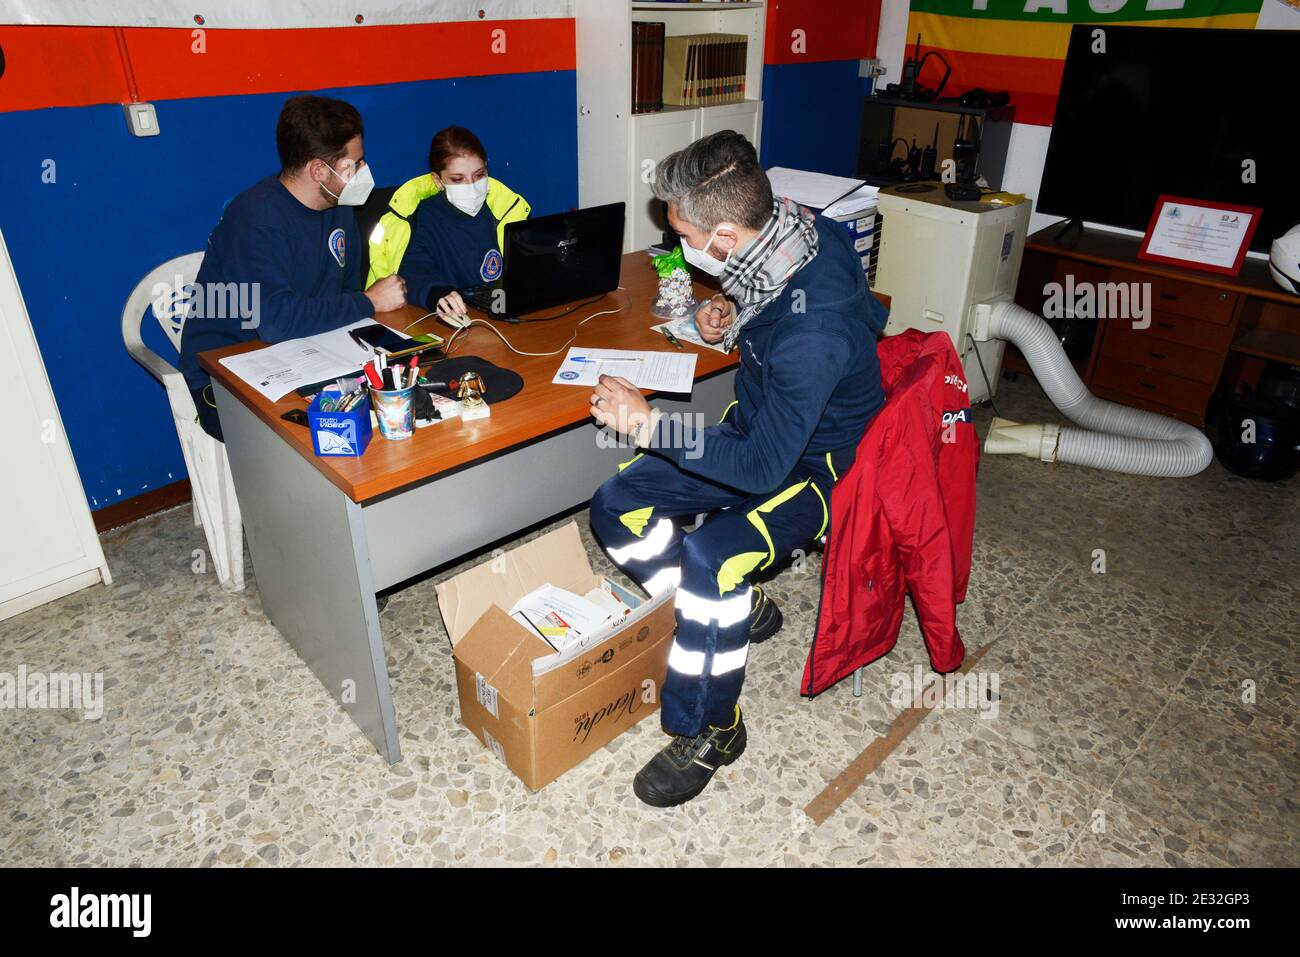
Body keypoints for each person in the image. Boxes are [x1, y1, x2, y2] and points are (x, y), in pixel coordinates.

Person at [587, 131, 887, 808]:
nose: (679, 247)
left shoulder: (815, 334)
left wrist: (647, 424)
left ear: (724, 233)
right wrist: (731, 315)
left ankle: (714, 729)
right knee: (616, 504)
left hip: (817, 465)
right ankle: (736, 607)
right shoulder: (797, 228)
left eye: (684, 234)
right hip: (764, 425)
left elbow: (759, 467)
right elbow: (776, 307)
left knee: (710, 557)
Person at [178, 95, 406, 441]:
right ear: (318, 170)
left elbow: (343, 291)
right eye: (353, 165)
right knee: (309, 436)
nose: (362, 173)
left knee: (393, 393)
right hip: (224, 371)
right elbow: (276, 321)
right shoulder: (255, 219)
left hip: (306, 350)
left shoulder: (337, 204)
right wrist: (369, 302)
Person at [366, 125, 530, 324]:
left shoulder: (502, 210)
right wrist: (436, 294)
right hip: (453, 319)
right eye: (457, 179)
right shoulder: (422, 217)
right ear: (438, 180)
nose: (471, 187)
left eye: (479, 175)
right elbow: (413, 271)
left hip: (499, 310)